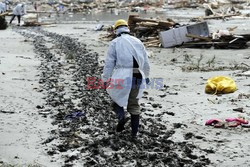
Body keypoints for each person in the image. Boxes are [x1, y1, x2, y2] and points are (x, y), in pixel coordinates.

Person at [102, 19, 150, 140]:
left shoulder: (115, 42)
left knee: (115, 98)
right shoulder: (138, 41)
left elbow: (109, 63)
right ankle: (134, 134)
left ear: (116, 30)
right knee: (134, 104)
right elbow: (146, 62)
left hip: (122, 75)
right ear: (127, 28)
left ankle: (121, 116)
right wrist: (147, 76)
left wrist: (105, 79)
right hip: (137, 75)